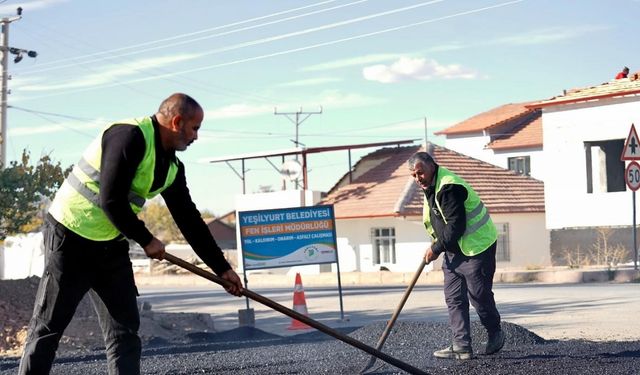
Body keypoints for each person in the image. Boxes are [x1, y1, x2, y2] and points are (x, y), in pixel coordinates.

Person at [19, 93, 244, 375]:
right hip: (71, 237)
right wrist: (147, 239)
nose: (196, 136)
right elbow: (110, 200)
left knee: (125, 332)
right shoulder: (128, 136)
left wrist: (221, 268)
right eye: (195, 128)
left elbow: (190, 222)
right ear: (177, 121)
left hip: (110, 246)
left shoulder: (171, 168)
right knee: (49, 328)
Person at [408, 151, 504, 360]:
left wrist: (435, 248)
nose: (417, 179)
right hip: (453, 251)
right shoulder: (430, 187)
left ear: (432, 166)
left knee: (478, 296)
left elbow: (456, 225)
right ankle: (461, 346)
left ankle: (495, 332)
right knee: (454, 298)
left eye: (420, 173)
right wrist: (439, 245)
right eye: (413, 175)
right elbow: (439, 221)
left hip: (477, 248)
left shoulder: (449, 187)